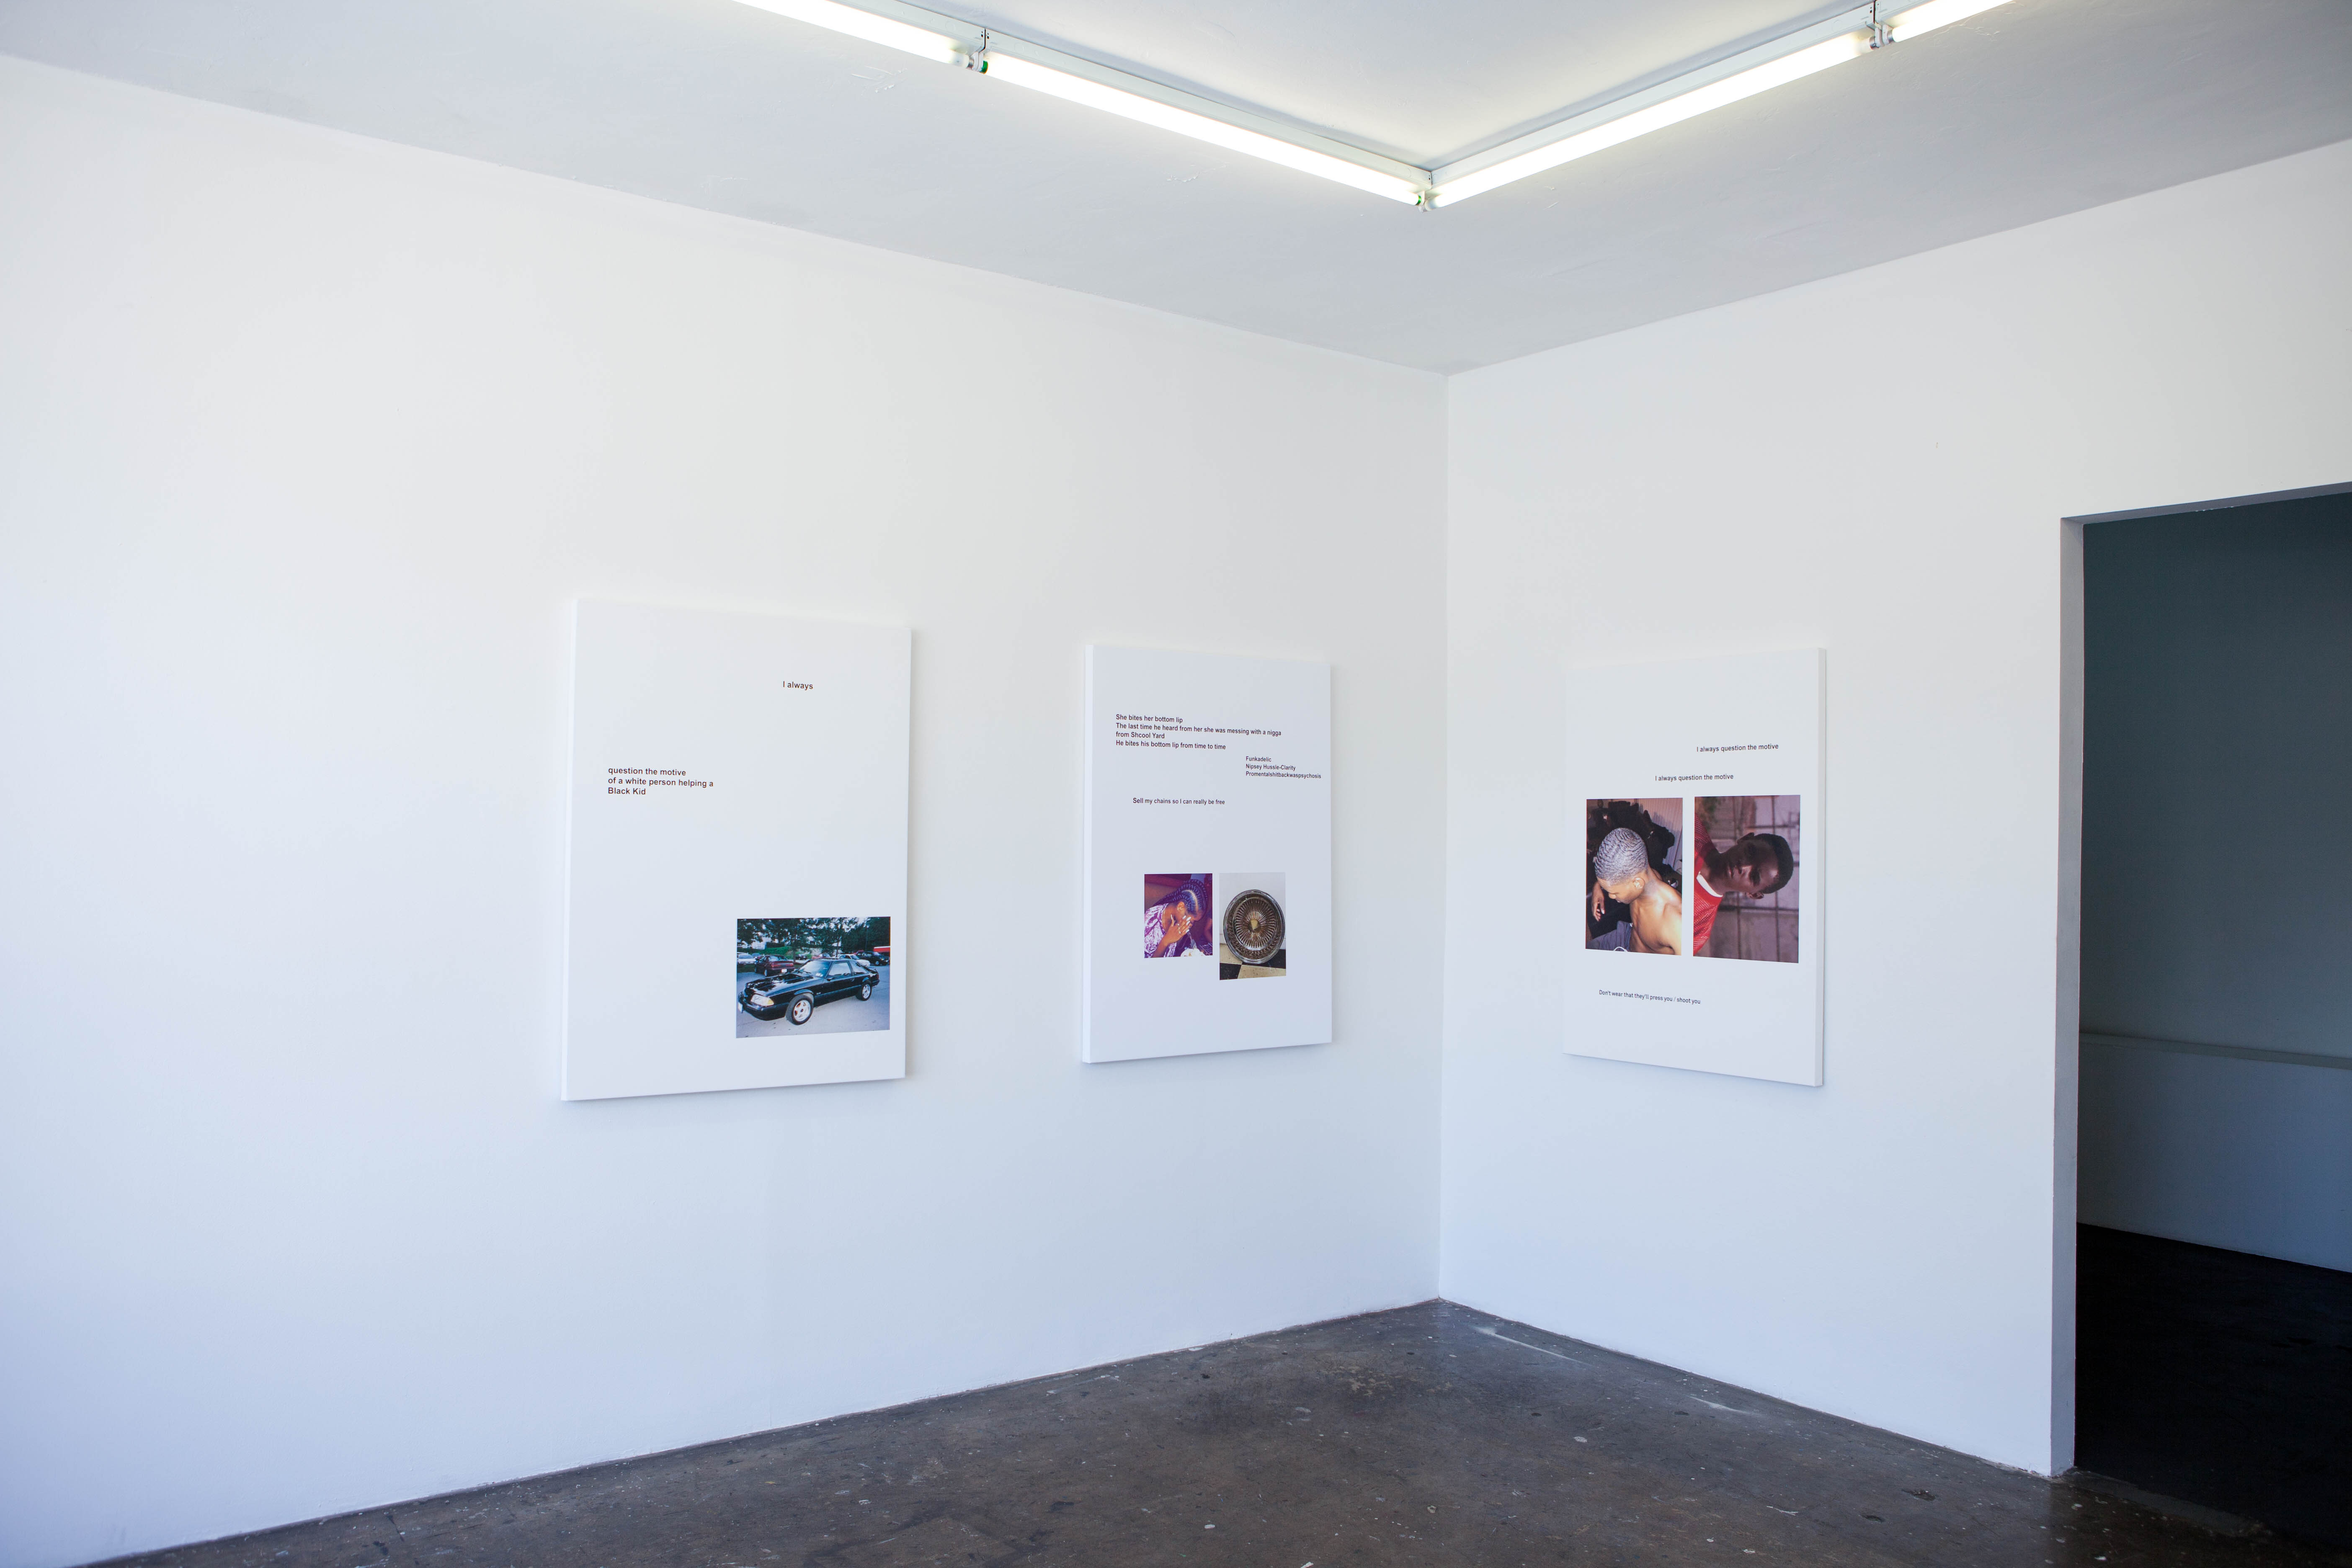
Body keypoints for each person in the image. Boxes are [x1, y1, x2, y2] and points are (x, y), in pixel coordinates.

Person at [1689, 830, 1793, 955]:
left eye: (1754, 876)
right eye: (1750, 853)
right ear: (1745, 839)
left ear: (1754, 894)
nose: (1743, 866)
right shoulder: (1693, 831)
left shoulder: (1698, 929)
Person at [1587, 828, 1683, 955]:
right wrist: (1597, 886)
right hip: (1627, 936)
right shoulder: (1644, 875)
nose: (1611, 896)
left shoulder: (1676, 923)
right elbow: (1618, 874)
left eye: (1615, 893)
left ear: (1637, 883)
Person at [1144, 879, 1212, 958]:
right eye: (1191, 921)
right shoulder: (1150, 923)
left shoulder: (1178, 919)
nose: (1192, 925)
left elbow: (1176, 950)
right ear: (1181, 907)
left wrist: (1181, 937)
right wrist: (1165, 942)